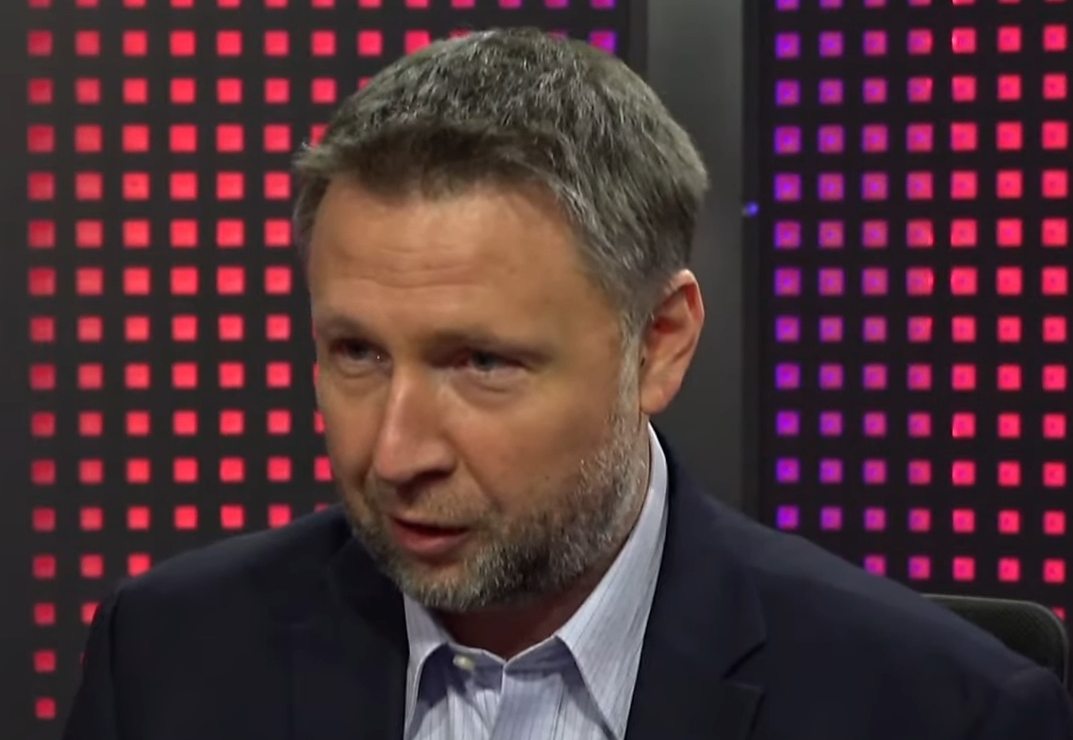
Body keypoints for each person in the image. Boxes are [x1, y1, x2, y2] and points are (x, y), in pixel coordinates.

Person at [63, 27, 1073, 740]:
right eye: (358, 353)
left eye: (481, 362)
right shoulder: (164, 656)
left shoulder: (942, 710)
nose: (395, 452)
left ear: (659, 344)